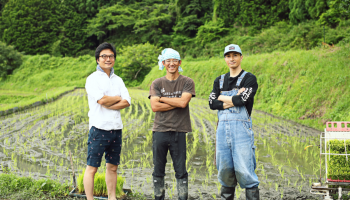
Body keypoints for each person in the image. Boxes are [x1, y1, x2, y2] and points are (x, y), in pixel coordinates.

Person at [209, 44, 260, 200]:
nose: (232, 59)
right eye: (228, 56)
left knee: (245, 170)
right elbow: (212, 103)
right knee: (224, 170)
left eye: (235, 55)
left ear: (241, 57)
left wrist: (221, 98)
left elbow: (242, 100)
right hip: (222, 130)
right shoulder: (219, 80)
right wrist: (234, 99)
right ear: (225, 58)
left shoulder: (249, 78)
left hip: (241, 130)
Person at [84, 42, 131, 200]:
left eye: (111, 56)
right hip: (99, 129)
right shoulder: (92, 79)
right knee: (92, 168)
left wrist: (110, 101)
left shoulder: (118, 80)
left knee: (112, 167)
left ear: (114, 59)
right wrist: (117, 98)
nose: (108, 59)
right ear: (98, 59)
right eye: (104, 56)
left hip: (116, 129)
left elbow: (127, 101)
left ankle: (112, 198)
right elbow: (102, 100)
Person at [149, 48, 195, 200]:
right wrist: (177, 102)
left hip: (179, 131)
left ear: (179, 62)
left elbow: (183, 103)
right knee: (158, 170)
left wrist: (162, 98)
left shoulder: (187, 82)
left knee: (181, 170)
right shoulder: (157, 83)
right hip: (160, 131)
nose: (171, 64)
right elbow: (155, 107)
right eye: (168, 61)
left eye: (174, 60)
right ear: (163, 63)